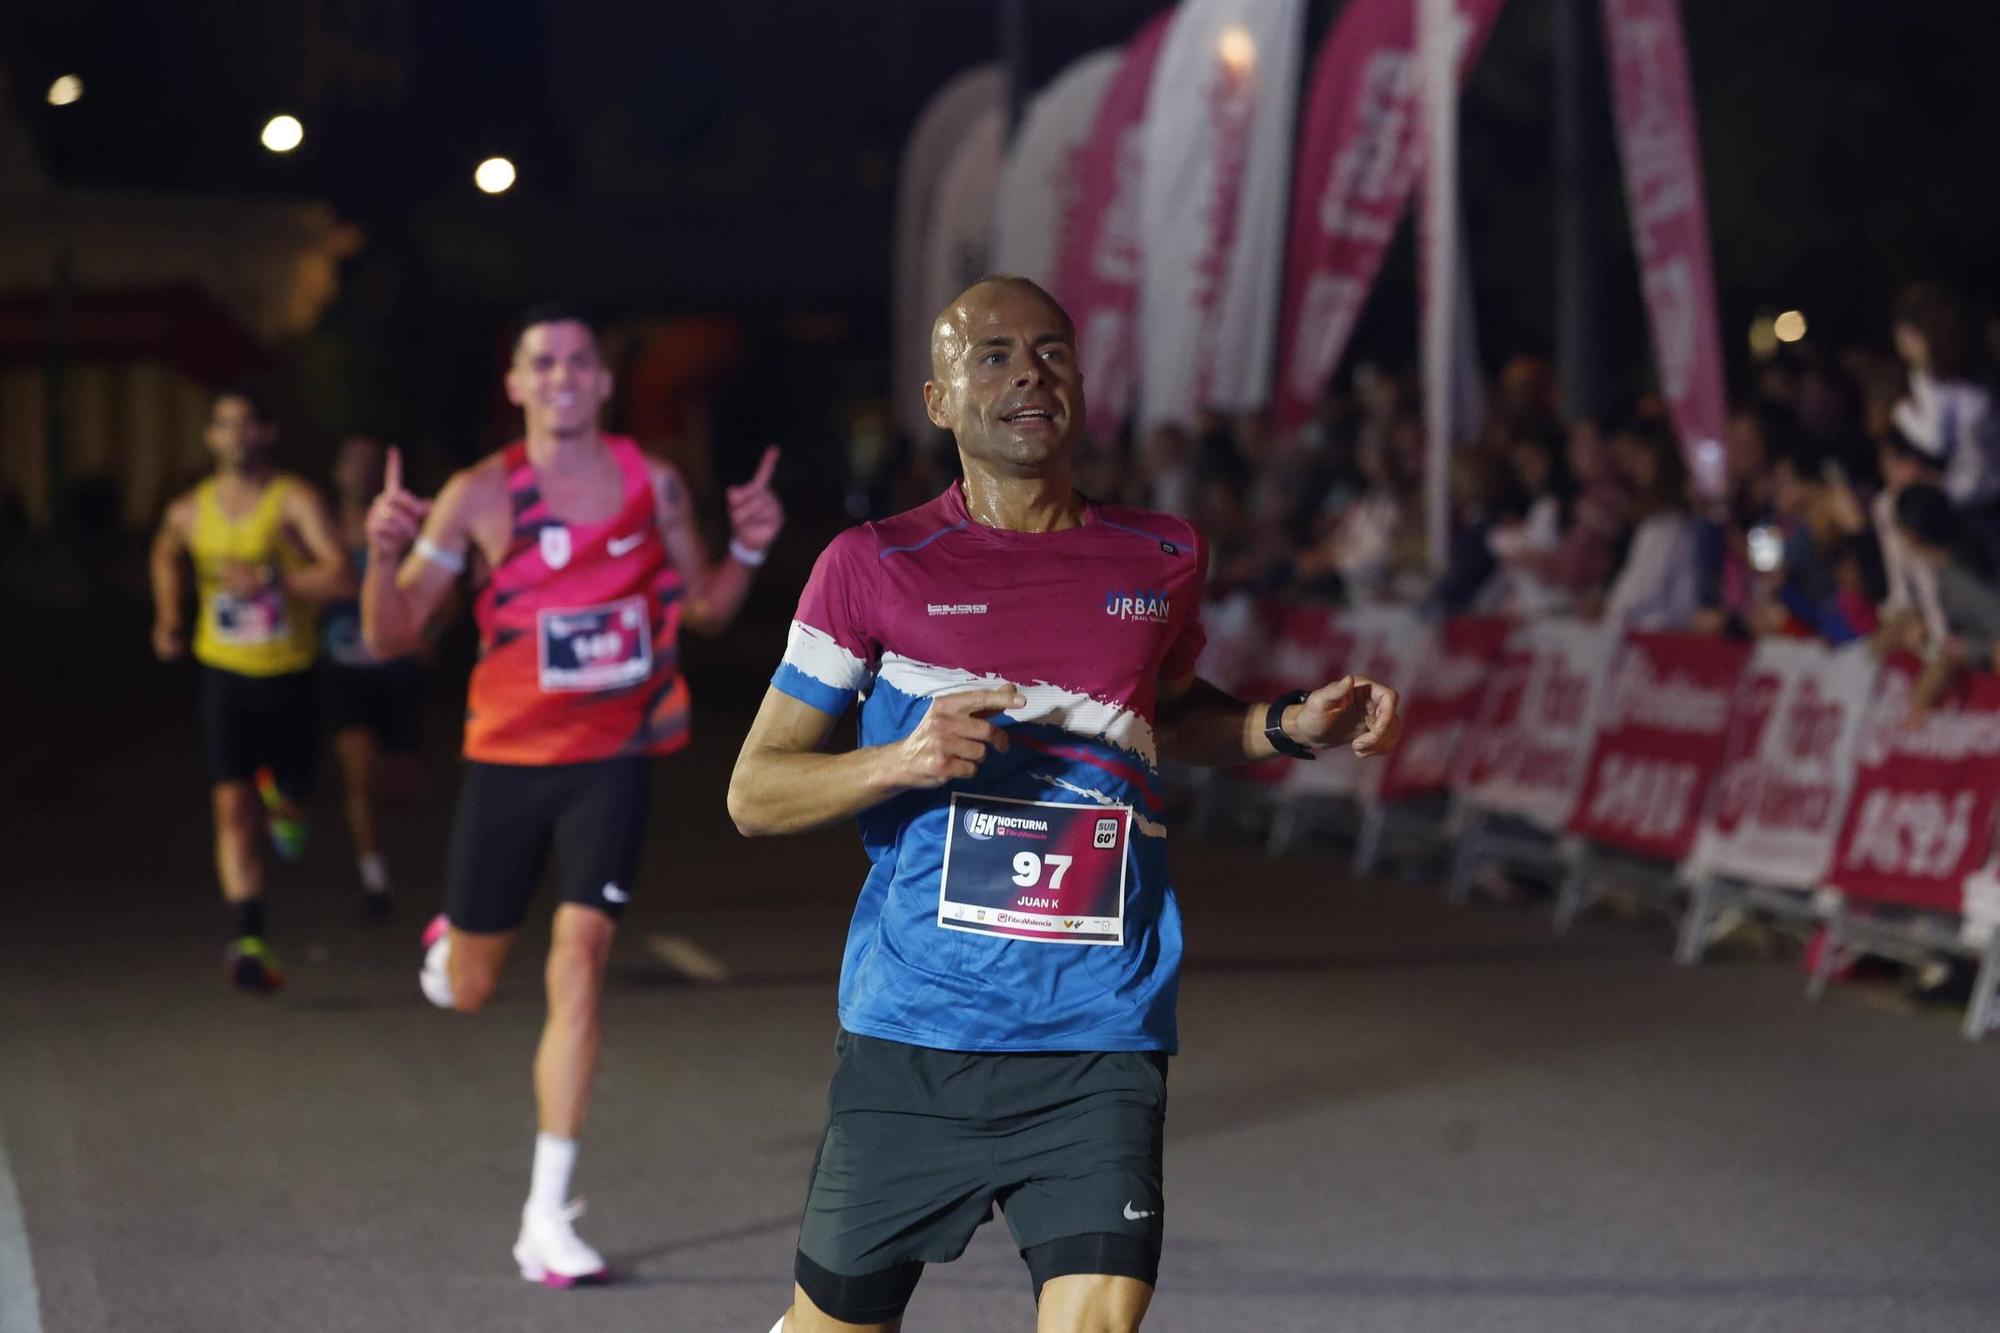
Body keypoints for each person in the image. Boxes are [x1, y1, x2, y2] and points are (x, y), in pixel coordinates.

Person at [726, 276, 1401, 1333]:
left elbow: (1156, 719)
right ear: (938, 399)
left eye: (1049, 350)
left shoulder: (1160, 555)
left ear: (1080, 382)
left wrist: (1283, 727)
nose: (1027, 371)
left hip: (1099, 1032)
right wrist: (900, 760)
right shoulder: (870, 568)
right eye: (989, 355)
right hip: (916, 1036)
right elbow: (754, 792)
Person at [360, 302, 784, 1287]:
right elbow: (389, 635)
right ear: (514, 384)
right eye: (540, 362)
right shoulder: (478, 494)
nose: (560, 375)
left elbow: (709, 608)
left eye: (579, 361)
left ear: (602, 381)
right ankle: (449, 948)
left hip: (615, 756)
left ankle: (545, 1217)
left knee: (582, 955)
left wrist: (752, 546)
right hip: (507, 762)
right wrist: (381, 551)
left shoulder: (655, 483)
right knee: (471, 988)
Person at [149, 384, 353, 993]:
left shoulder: (293, 501)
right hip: (225, 674)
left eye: (246, 424)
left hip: (289, 673)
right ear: (210, 437)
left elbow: (341, 576)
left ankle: (288, 804)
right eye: (223, 424)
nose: (235, 435)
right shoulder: (190, 509)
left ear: (267, 433)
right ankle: (248, 936)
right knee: (231, 807)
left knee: (290, 796)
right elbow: (165, 551)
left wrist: (272, 579)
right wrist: (168, 617)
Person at [322, 435, 430, 917]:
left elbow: (442, 590)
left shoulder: (404, 525)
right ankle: (375, 883)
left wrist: (431, 633)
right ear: (337, 470)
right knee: (359, 775)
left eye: (370, 463)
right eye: (352, 462)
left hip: (399, 669)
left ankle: (396, 854)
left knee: (402, 786)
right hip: (344, 670)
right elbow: (298, 581)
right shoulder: (319, 527)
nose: (360, 472)